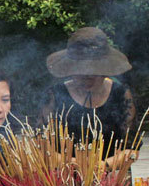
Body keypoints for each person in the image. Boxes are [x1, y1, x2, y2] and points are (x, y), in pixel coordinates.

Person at [43, 27, 136, 162]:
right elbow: (42, 148)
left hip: (113, 179)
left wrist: (104, 166)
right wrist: (78, 165)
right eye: (81, 70)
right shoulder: (55, 95)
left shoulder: (120, 94)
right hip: (64, 179)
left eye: (94, 70)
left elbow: (132, 149)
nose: (87, 76)